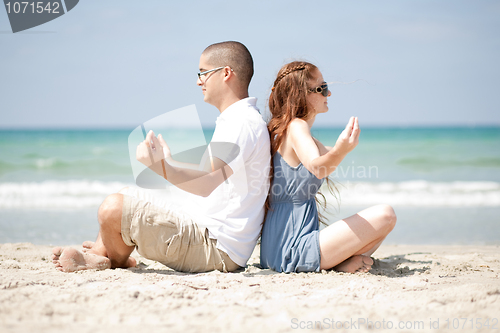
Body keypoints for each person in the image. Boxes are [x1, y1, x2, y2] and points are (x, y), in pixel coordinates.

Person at [52, 41, 271, 273]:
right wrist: (168, 163)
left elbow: (206, 184)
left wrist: (161, 168)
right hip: (208, 230)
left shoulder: (240, 124)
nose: (199, 81)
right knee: (126, 194)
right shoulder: (238, 119)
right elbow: (211, 172)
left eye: (203, 73)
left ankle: (108, 257)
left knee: (111, 208)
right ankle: (104, 251)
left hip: (217, 248)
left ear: (226, 73)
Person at [260, 61, 396, 274]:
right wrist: (341, 150)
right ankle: (338, 264)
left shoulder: (295, 133)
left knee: (383, 221)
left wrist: (343, 148)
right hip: (292, 248)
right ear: (302, 94)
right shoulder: (296, 126)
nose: (328, 94)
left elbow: (325, 158)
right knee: (386, 215)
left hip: (278, 248)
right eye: (322, 88)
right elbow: (318, 167)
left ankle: (339, 263)